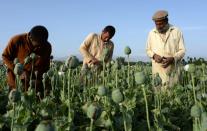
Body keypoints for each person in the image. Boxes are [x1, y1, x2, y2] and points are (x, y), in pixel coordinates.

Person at [2, 25, 52, 94]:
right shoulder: (17, 40)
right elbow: (5, 56)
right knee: (16, 102)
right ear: (30, 38)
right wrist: (19, 71)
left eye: (43, 43)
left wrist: (43, 81)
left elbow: (46, 66)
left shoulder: (47, 46)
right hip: (15, 80)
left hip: (35, 83)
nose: (40, 46)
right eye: (38, 45)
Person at [146, 10, 186, 86]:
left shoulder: (176, 31)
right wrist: (154, 56)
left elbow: (182, 50)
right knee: (159, 95)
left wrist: (173, 58)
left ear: (166, 21)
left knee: (174, 92)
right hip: (158, 71)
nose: (158, 27)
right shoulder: (151, 33)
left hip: (173, 70)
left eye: (160, 24)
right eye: (156, 24)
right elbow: (148, 50)